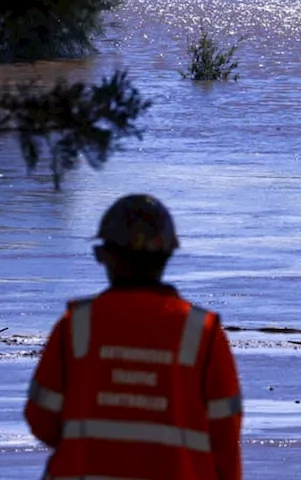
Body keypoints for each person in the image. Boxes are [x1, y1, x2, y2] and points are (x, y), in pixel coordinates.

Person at [25, 194, 243, 480]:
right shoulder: (201, 332)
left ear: (105, 256)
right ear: (167, 256)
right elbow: (225, 435)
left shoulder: (76, 326)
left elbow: (41, 419)